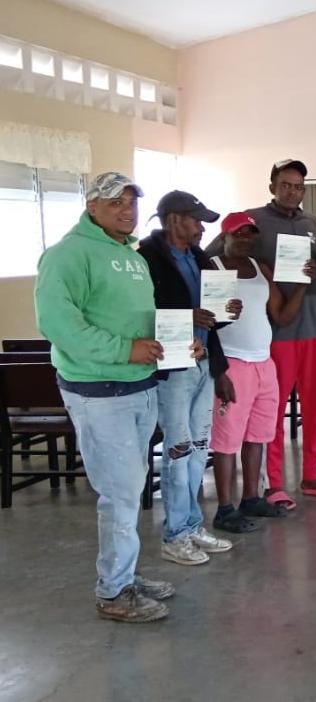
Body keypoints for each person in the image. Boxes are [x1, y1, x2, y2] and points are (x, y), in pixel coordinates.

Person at [35, 172, 173, 621]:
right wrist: (123, 350)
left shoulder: (129, 254)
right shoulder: (68, 254)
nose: (127, 210)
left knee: (130, 489)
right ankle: (113, 591)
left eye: (131, 202)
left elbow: (139, 319)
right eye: (115, 202)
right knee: (119, 493)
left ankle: (125, 573)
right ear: (91, 206)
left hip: (138, 385)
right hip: (99, 391)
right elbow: (58, 323)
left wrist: (174, 342)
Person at [206, 159, 316, 508]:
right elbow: (210, 258)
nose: (293, 192)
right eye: (286, 185)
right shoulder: (252, 222)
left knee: (315, 406)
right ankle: (274, 483)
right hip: (277, 332)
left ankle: (312, 475)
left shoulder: (312, 223)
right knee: (273, 410)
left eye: (299, 187)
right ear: (272, 187)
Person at [138, 190, 238, 565]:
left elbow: (211, 317)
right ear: (174, 219)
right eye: (196, 220)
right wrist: (186, 316)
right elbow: (141, 314)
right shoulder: (146, 259)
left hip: (203, 362)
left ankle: (192, 525)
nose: (201, 229)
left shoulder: (199, 258)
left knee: (198, 447)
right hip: (172, 366)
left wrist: (226, 311)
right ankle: (175, 534)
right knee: (178, 449)